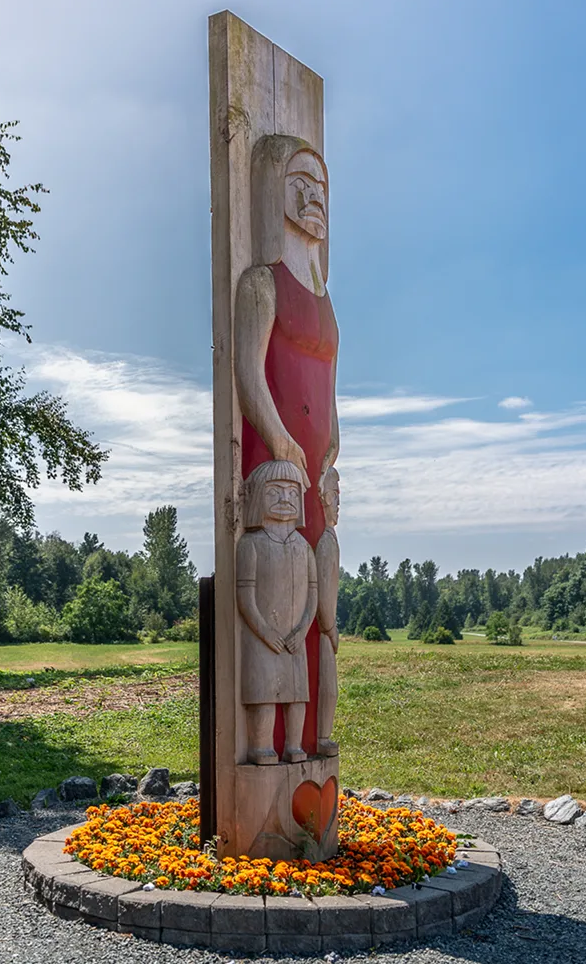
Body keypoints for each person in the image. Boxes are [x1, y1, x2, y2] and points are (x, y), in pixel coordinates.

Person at [234, 135, 339, 756]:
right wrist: (279, 438)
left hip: (318, 477)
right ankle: (265, 752)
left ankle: (316, 741)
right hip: (274, 465)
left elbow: (331, 388)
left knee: (323, 616)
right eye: (299, 183)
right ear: (273, 191)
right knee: (274, 593)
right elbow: (249, 373)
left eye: (320, 187)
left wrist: (330, 453)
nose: (312, 197)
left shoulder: (327, 302)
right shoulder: (260, 283)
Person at [237, 459, 317, 765]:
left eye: (292, 493)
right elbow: (245, 596)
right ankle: (261, 747)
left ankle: (294, 745)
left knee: (297, 694)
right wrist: (265, 632)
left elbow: (313, 594)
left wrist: (303, 629)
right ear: (258, 496)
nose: (285, 499)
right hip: (262, 637)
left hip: (295, 636)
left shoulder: (304, 547)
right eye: (274, 492)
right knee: (264, 692)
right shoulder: (251, 544)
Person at [315, 467, 340, 756]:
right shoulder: (324, 542)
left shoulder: (330, 538)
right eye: (334, 496)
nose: (338, 503)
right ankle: (321, 736)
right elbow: (323, 592)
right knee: (327, 688)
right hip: (322, 630)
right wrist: (330, 627)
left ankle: (323, 735)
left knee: (330, 688)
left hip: (324, 630)